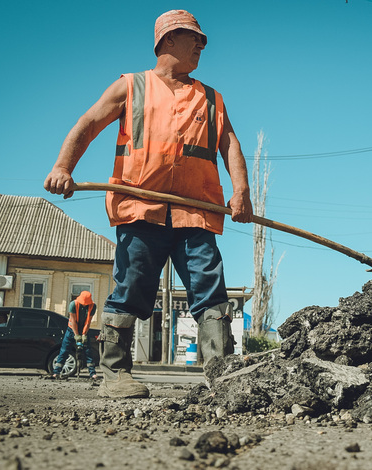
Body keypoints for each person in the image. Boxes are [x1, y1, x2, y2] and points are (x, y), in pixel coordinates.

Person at [44, 10, 253, 399]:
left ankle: (221, 376)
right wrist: (62, 167)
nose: (202, 46)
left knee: (210, 289)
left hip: (197, 211)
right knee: (134, 285)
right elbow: (88, 124)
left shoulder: (210, 98)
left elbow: (230, 146)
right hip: (141, 208)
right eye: (196, 38)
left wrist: (241, 191)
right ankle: (115, 374)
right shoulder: (131, 86)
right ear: (168, 40)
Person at [52, 291, 98, 380]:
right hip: (71, 330)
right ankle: (56, 372)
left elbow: (88, 322)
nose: (84, 305)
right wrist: (77, 335)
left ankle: (92, 373)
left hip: (84, 329)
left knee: (88, 351)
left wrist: (84, 334)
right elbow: (73, 321)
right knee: (65, 350)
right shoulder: (73, 304)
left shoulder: (93, 306)